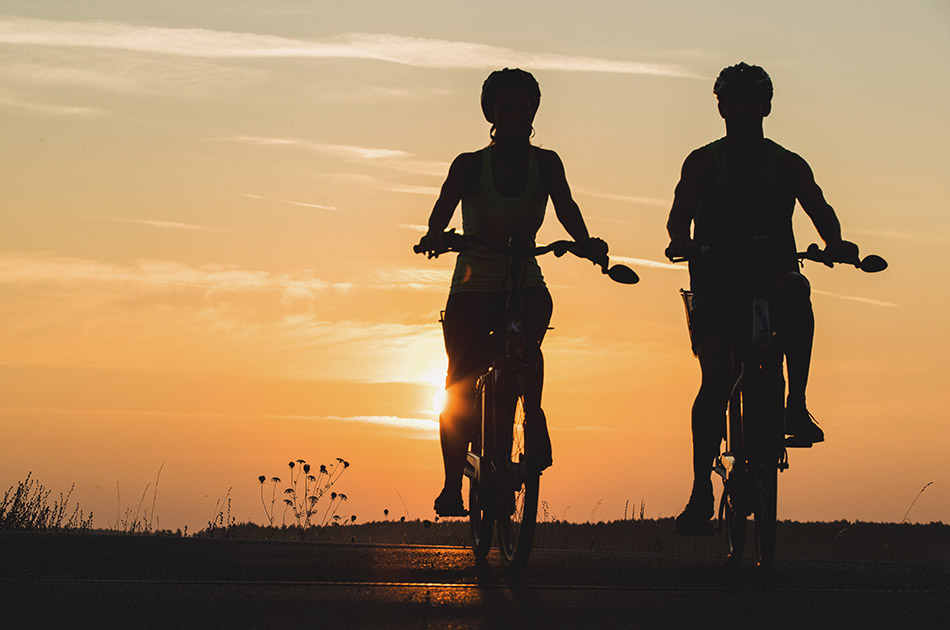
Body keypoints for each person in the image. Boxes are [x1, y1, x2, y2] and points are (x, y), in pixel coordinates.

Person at [665, 62, 860, 535]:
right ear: (722, 108)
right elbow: (679, 218)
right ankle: (699, 491)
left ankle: (796, 404)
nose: (743, 108)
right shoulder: (703, 162)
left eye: (752, 100)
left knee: (799, 289)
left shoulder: (788, 164)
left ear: (766, 106)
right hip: (716, 279)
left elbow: (819, 208)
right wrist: (680, 242)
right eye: (734, 100)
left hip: (774, 276)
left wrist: (836, 244)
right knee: (715, 379)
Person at [416, 68, 608, 517]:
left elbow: (567, 209)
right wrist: (435, 235)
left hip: (524, 280)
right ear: (491, 114)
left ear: (533, 112)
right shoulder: (468, 165)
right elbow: (441, 210)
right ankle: (451, 486)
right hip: (473, 286)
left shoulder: (548, 164)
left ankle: (533, 414)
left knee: (525, 346)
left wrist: (587, 243)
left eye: (523, 108)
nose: (516, 115)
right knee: (459, 380)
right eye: (507, 108)